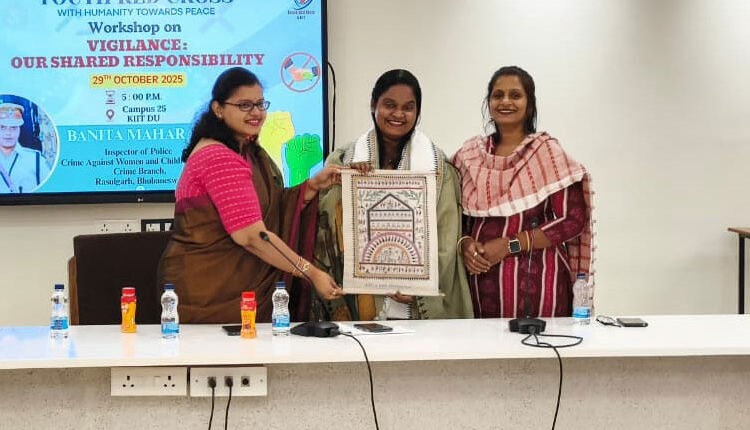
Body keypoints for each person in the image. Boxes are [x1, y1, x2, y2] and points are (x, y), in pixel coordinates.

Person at [157, 67, 343, 324]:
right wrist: (310, 272)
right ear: (218, 109)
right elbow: (253, 237)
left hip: (229, 289)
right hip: (212, 292)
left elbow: (268, 208)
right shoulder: (219, 157)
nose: (256, 112)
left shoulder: (246, 150)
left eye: (260, 104)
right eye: (244, 105)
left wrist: (312, 186)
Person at [315, 69, 473, 321]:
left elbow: (446, 237)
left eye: (408, 107)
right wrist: (346, 186)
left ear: (418, 112)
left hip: (418, 309)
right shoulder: (344, 160)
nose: (399, 114)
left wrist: (420, 288)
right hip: (358, 302)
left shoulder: (438, 168)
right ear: (373, 105)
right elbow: (325, 227)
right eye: (389, 105)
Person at [452, 66, 595, 318]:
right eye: (498, 95)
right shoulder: (469, 156)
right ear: (489, 104)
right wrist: (465, 245)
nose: (505, 101)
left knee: (542, 344)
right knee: (481, 343)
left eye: (515, 95)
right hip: (480, 287)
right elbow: (454, 218)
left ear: (529, 105)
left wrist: (510, 245)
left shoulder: (547, 153)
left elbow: (572, 219)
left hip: (540, 286)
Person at [0, 102, 51, 193]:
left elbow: (51, 189)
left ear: (19, 129)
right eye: (2, 127)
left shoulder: (36, 160)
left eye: (13, 128)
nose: (8, 133)